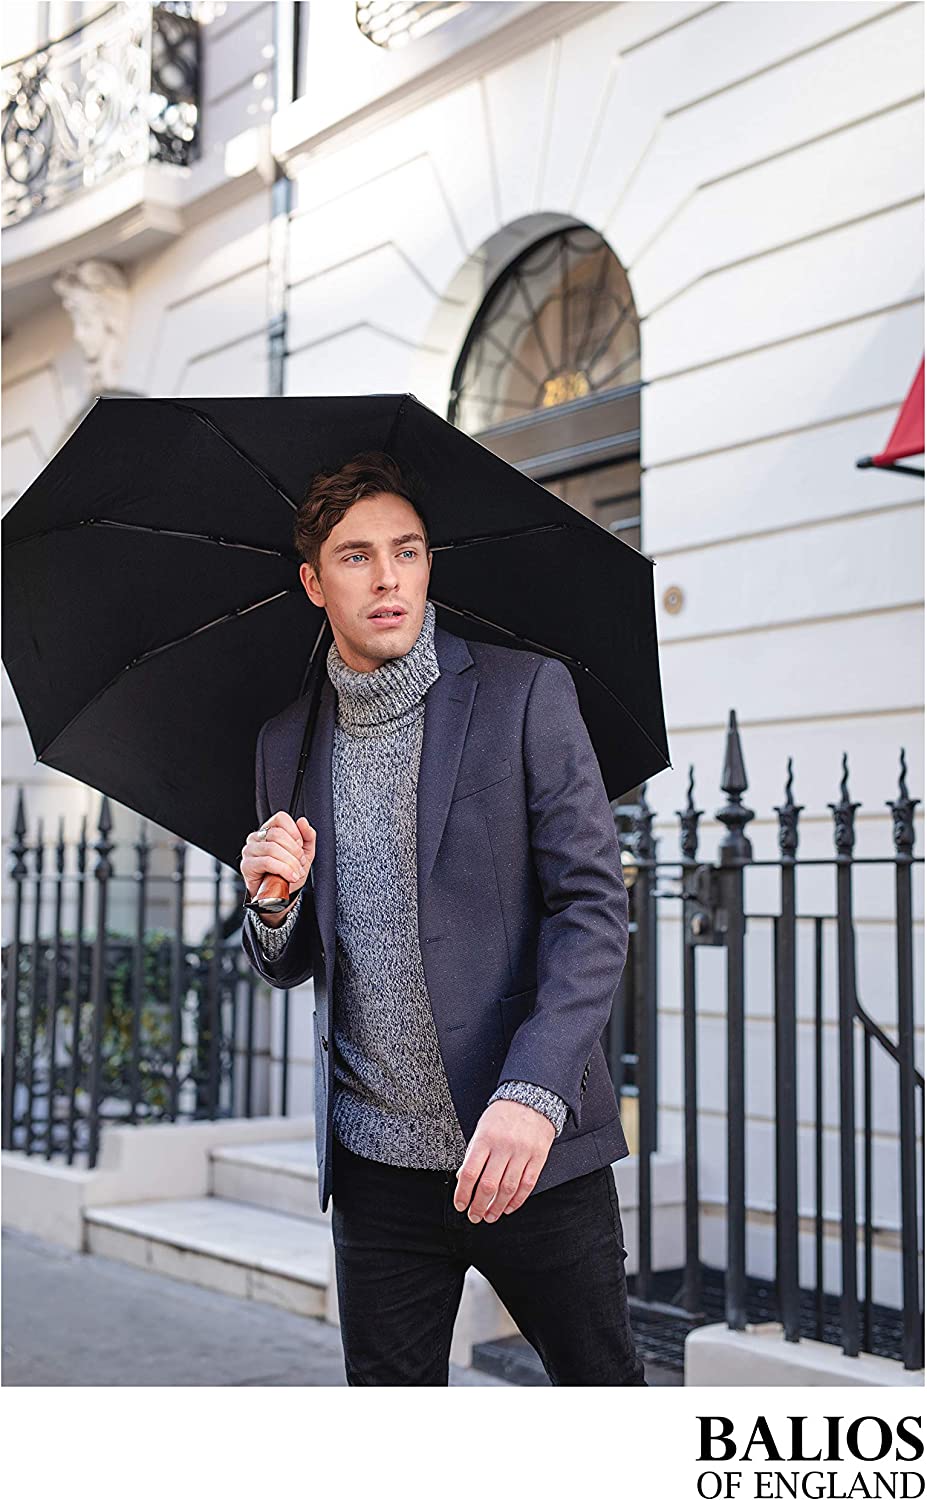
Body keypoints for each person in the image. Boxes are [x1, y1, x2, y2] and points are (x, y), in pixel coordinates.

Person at [239, 451, 647, 1387]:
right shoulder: (282, 743)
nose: (387, 578)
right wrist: (273, 904)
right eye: (356, 557)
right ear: (314, 582)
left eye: (407, 551)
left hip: (527, 1147)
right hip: (375, 1167)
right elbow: (291, 960)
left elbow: (592, 908)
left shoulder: (523, 693)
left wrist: (534, 1094)